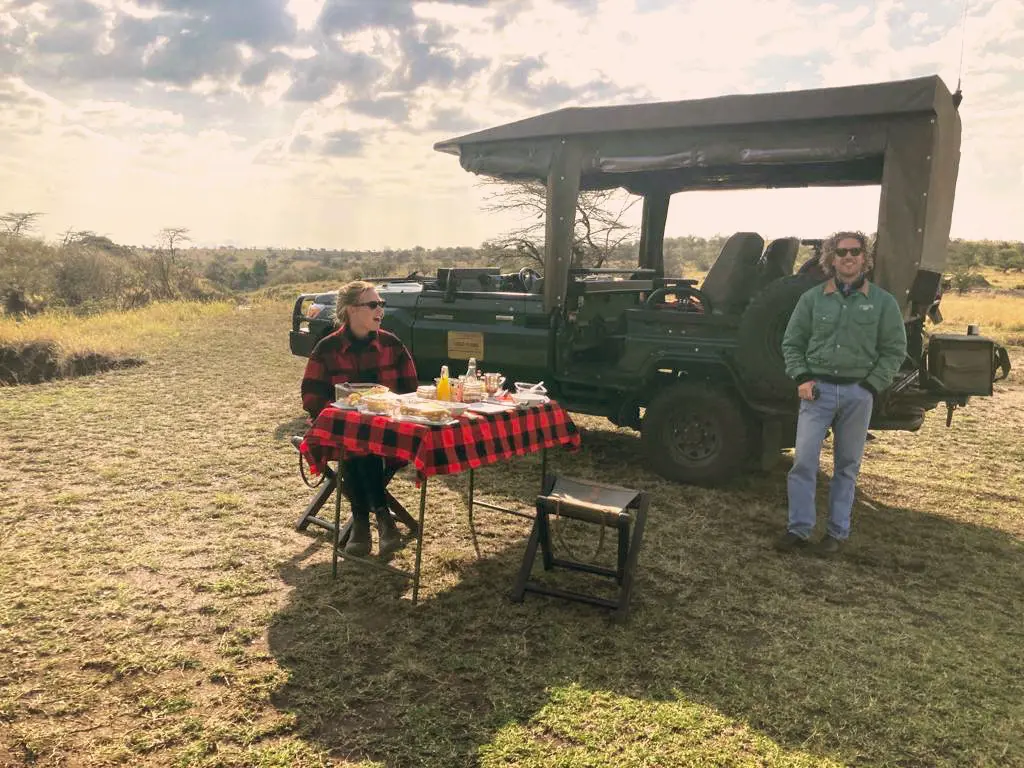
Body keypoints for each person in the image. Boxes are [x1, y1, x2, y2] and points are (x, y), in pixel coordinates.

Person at [777, 231, 907, 555]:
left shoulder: (882, 302)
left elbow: (894, 350)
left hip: (856, 394)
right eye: (841, 252)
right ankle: (798, 529)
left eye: (855, 251)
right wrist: (802, 377)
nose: (848, 257)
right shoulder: (813, 299)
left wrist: (871, 386)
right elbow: (792, 342)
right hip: (816, 392)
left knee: (846, 466)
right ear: (830, 259)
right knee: (803, 462)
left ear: (865, 258)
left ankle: (836, 534)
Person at [301, 280, 418, 557]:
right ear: (352, 310)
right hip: (340, 434)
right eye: (374, 304)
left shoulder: (392, 344)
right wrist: (338, 414)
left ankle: (362, 523)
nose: (381, 310)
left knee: (359, 445)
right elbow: (311, 396)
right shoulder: (327, 348)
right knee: (354, 441)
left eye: (382, 304)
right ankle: (382, 519)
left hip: (389, 433)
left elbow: (410, 390)